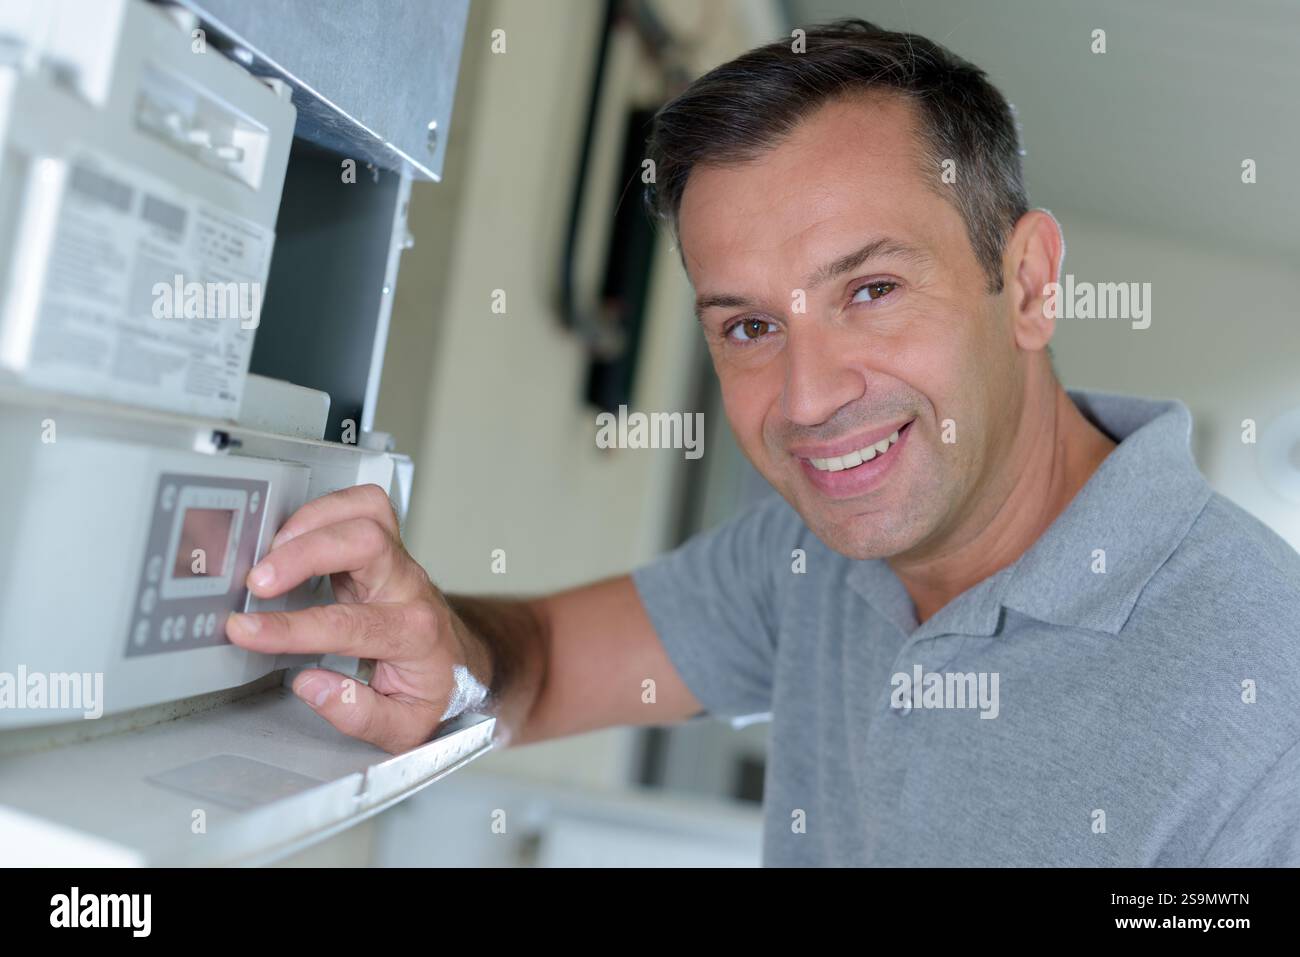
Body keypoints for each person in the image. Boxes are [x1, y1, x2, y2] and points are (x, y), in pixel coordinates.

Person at [225, 20, 1300, 866]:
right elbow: (539, 672)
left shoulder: (1263, 694)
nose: (808, 397)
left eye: (870, 290)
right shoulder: (809, 558)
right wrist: (446, 657)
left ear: (1024, 282)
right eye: (748, 325)